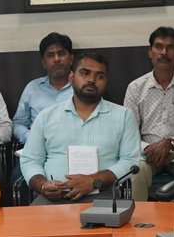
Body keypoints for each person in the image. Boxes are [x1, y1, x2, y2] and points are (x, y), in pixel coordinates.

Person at [20, 51, 142, 204]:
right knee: (31, 220)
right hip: (52, 198)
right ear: (71, 77)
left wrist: (94, 181)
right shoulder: (46, 116)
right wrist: (43, 186)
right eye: (85, 73)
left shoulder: (123, 116)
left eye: (100, 76)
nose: (91, 80)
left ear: (106, 81)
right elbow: (30, 160)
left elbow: (130, 161)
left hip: (103, 196)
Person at [122, 26, 174, 202]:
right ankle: (137, 220)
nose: (164, 52)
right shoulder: (135, 88)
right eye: (158, 46)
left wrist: (170, 144)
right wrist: (149, 148)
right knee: (136, 171)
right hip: (147, 153)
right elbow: (128, 134)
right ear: (150, 52)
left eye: (170, 47)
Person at [11, 32, 74, 143]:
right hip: (38, 146)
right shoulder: (32, 88)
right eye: (50, 55)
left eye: (61, 53)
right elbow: (18, 123)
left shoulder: (82, 88)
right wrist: (31, 138)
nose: (57, 59)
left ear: (71, 59)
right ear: (43, 63)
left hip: (73, 146)